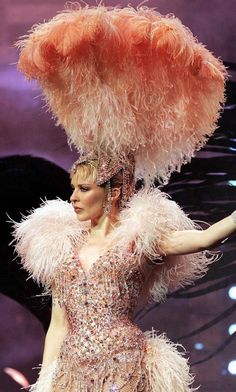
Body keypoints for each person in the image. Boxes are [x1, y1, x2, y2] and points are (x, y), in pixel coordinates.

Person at [12, 4, 233, 391]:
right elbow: (58, 326)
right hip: (72, 374)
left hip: (126, 370)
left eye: (84, 189)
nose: (74, 198)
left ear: (112, 192)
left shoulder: (139, 240)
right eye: (73, 189)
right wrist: (45, 382)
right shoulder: (62, 248)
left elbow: (204, 238)